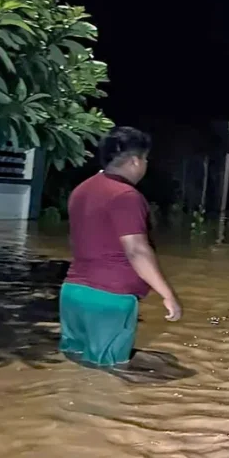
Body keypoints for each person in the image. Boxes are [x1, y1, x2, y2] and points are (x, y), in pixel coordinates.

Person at [60, 126, 182, 368]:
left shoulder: (81, 190)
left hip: (73, 293)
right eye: (145, 159)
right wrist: (168, 295)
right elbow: (136, 250)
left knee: (76, 362)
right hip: (110, 298)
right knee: (110, 370)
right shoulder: (126, 196)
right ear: (135, 161)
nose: (145, 165)